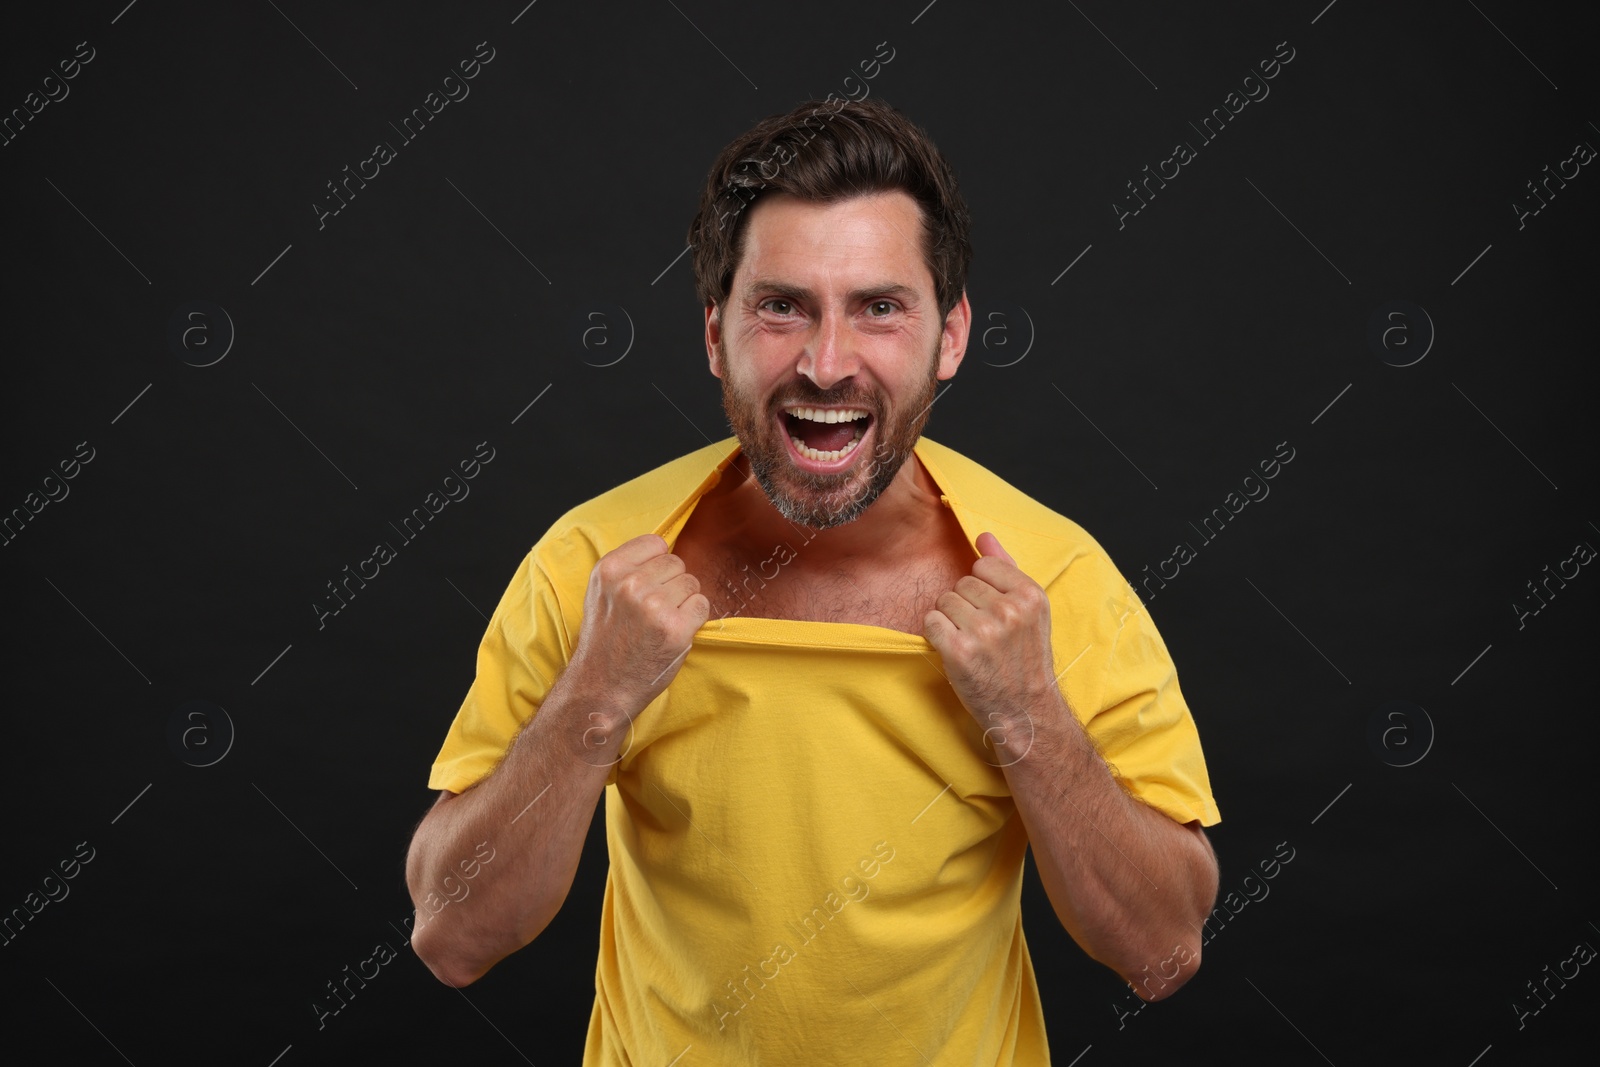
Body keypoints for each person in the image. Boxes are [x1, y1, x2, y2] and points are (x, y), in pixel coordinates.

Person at [405, 97, 1221, 1064]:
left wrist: (1027, 712)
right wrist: (600, 693)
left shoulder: (1054, 577)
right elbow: (452, 937)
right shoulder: (594, 566)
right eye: (782, 306)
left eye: (880, 307)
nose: (827, 364)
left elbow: (1164, 951)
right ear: (716, 335)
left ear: (950, 336)